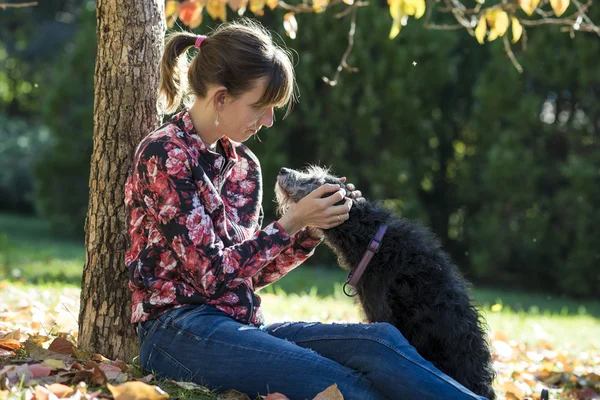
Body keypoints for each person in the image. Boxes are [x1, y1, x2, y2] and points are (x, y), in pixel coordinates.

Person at [125, 18, 489, 400]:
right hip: (178, 332)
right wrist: (291, 221)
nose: (267, 121)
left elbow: (249, 275)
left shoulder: (245, 167)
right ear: (220, 97)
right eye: (259, 107)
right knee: (344, 385)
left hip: (242, 326)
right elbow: (211, 276)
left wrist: (312, 229)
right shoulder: (165, 154)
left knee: (379, 342)